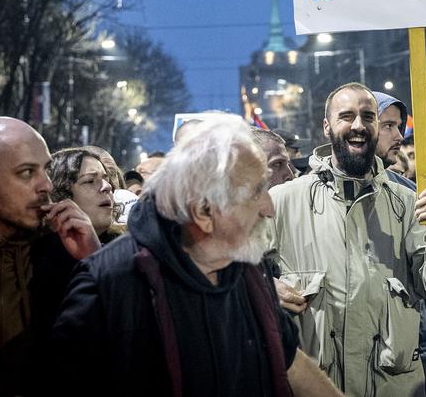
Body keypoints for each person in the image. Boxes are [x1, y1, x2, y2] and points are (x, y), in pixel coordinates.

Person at [51, 115, 340, 397]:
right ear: (203, 212)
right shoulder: (108, 284)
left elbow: (290, 360)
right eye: (254, 193)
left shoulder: (250, 268)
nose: (269, 208)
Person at [268, 83, 426, 396]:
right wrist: (265, 287)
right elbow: (231, 276)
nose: (358, 125)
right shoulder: (281, 202)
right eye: (346, 116)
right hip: (312, 388)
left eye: (368, 117)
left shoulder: (409, 203)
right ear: (327, 126)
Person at [0, 117, 100, 395]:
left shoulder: (69, 251)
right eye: (26, 172)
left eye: (45, 169)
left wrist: (96, 262)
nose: (45, 185)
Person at [48, 147, 123, 243]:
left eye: (107, 180)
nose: (107, 186)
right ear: (60, 195)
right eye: (90, 181)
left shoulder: (127, 250)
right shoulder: (37, 254)